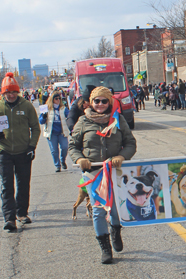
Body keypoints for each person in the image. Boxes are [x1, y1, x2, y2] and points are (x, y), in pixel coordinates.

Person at [69, 86, 136, 264]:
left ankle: (115, 231)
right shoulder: (83, 121)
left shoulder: (118, 119)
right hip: (94, 173)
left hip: (114, 172)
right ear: (91, 102)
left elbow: (130, 143)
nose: (100, 104)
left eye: (104, 101)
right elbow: (73, 146)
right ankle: (105, 248)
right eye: (96, 101)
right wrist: (79, 159)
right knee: (99, 210)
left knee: (114, 208)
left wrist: (122, 156)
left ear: (110, 102)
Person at [0, 72, 41, 231]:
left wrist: (32, 146)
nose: (10, 95)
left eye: (13, 92)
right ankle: (9, 218)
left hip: (24, 152)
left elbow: (36, 128)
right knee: (6, 186)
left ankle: (22, 213)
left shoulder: (26, 106)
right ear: (3, 93)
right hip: (4, 153)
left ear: (17, 92)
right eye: (7, 92)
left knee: (23, 184)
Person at [39, 91, 69, 172]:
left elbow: (69, 117)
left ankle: (63, 161)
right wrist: (44, 117)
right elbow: (41, 121)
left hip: (62, 132)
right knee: (54, 150)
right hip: (51, 133)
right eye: (56, 98)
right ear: (52, 99)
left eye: (59, 98)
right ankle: (57, 165)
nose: (58, 100)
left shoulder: (63, 108)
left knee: (65, 147)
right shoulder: (45, 108)